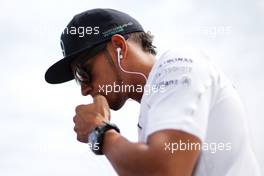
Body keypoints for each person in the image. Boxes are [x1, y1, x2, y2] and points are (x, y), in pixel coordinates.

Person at [45, 8, 261, 176]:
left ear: (119, 47)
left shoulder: (177, 65)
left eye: (83, 72)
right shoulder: (151, 114)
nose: (84, 89)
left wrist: (99, 131)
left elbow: (165, 171)